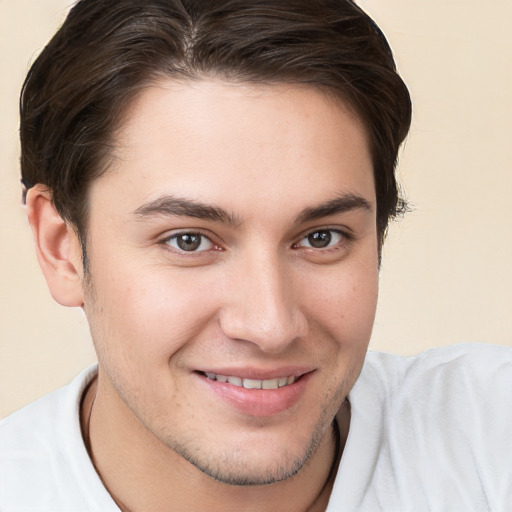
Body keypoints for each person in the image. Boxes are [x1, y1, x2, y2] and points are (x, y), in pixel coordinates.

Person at [0, 0, 510, 510]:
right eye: (189, 241)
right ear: (61, 247)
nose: (270, 326)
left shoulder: (491, 433)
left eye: (321, 237)